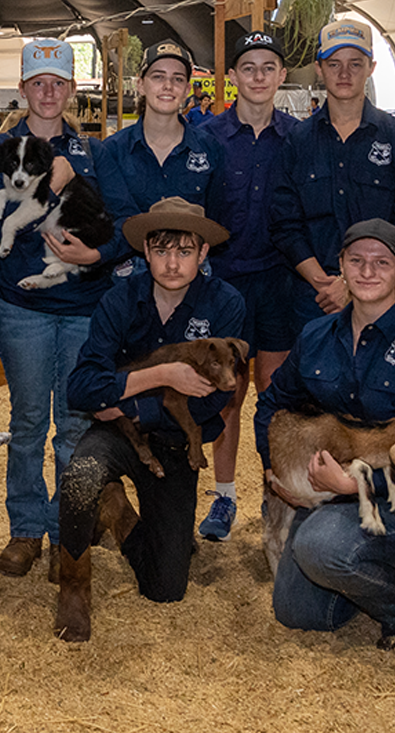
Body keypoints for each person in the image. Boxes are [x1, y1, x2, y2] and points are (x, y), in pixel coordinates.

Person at [255, 219, 395, 648]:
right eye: (357, 261)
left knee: (320, 548)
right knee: (297, 613)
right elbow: (272, 403)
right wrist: (277, 470)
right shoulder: (315, 335)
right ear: (342, 267)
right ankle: (361, 566)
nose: (368, 272)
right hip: (330, 490)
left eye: (381, 262)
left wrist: (353, 487)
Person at [56, 198, 245, 642]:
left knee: (166, 589)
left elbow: (212, 401)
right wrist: (160, 375)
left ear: (203, 254)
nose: (172, 263)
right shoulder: (119, 299)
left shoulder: (225, 304)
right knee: (82, 474)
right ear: (145, 252)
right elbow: (80, 389)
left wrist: (126, 398)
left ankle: (118, 511)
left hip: (177, 442)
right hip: (119, 435)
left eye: (184, 251)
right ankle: (73, 590)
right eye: (161, 250)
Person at [0, 39, 119, 579]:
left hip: (83, 305)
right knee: (29, 420)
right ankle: (25, 529)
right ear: (23, 89)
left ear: (71, 92)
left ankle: (70, 532)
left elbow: (112, 222)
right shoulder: (1, 152)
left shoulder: (94, 154)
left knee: (74, 423)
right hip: (24, 306)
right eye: (37, 83)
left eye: (57, 84)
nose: (47, 92)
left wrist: (98, 254)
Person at [198, 31, 301, 541]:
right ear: (233, 77)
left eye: (268, 67)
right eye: (249, 67)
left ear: (282, 76)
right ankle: (224, 497)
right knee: (227, 398)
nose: (258, 76)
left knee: (275, 399)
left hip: (281, 283)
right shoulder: (208, 137)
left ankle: (274, 495)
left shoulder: (299, 139)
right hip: (226, 283)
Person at [270, 20, 395, 326]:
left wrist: (356, 281)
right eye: (334, 64)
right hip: (315, 296)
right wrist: (323, 282)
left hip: (383, 294)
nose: (344, 74)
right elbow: (284, 223)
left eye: (355, 64)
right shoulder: (297, 141)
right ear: (319, 68)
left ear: (371, 67)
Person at [97, 40, 223, 265]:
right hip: (126, 279)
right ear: (141, 85)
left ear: (187, 90)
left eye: (177, 79)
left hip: (191, 276)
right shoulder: (112, 151)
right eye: (158, 76)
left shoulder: (210, 149)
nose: (168, 85)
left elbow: (218, 218)